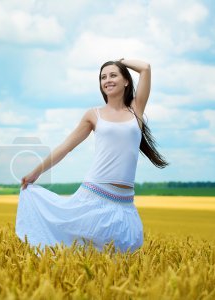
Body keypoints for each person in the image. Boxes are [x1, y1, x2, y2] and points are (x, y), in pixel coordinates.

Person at [15, 58, 168, 253]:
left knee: (120, 258)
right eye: (103, 77)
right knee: (83, 252)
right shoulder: (93, 115)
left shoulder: (136, 109)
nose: (107, 80)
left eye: (113, 75)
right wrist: (36, 173)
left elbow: (145, 68)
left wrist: (119, 61)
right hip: (94, 195)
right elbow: (66, 147)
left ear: (126, 81)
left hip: (125, 202)